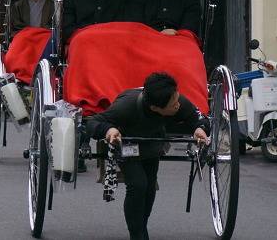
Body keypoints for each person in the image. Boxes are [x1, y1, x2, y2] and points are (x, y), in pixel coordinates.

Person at [86, 72, 210, 240]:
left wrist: (199, 128)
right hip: (127, 143)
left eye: (177, 98)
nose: (177, 105)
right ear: (155, 108)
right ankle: (137, 235)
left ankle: (141, 228)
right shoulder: (126, 106)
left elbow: (198, 117)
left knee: (150, 187)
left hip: (152, 142)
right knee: (138, 185)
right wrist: (109, 129)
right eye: (173, 104)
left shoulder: (175, 101)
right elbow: (93, 122)